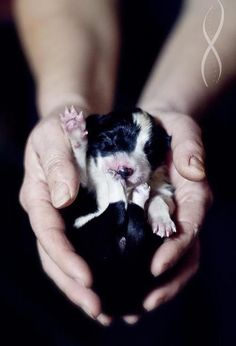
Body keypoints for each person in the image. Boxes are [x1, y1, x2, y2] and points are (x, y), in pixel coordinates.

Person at [13, 0, 236, 326]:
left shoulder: (158, 172)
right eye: (118, 146)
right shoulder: (94, 157)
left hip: (212, 95)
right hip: (86, 69)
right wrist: (67, 105)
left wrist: (170, 105)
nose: (129, 163)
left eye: (145, 154)